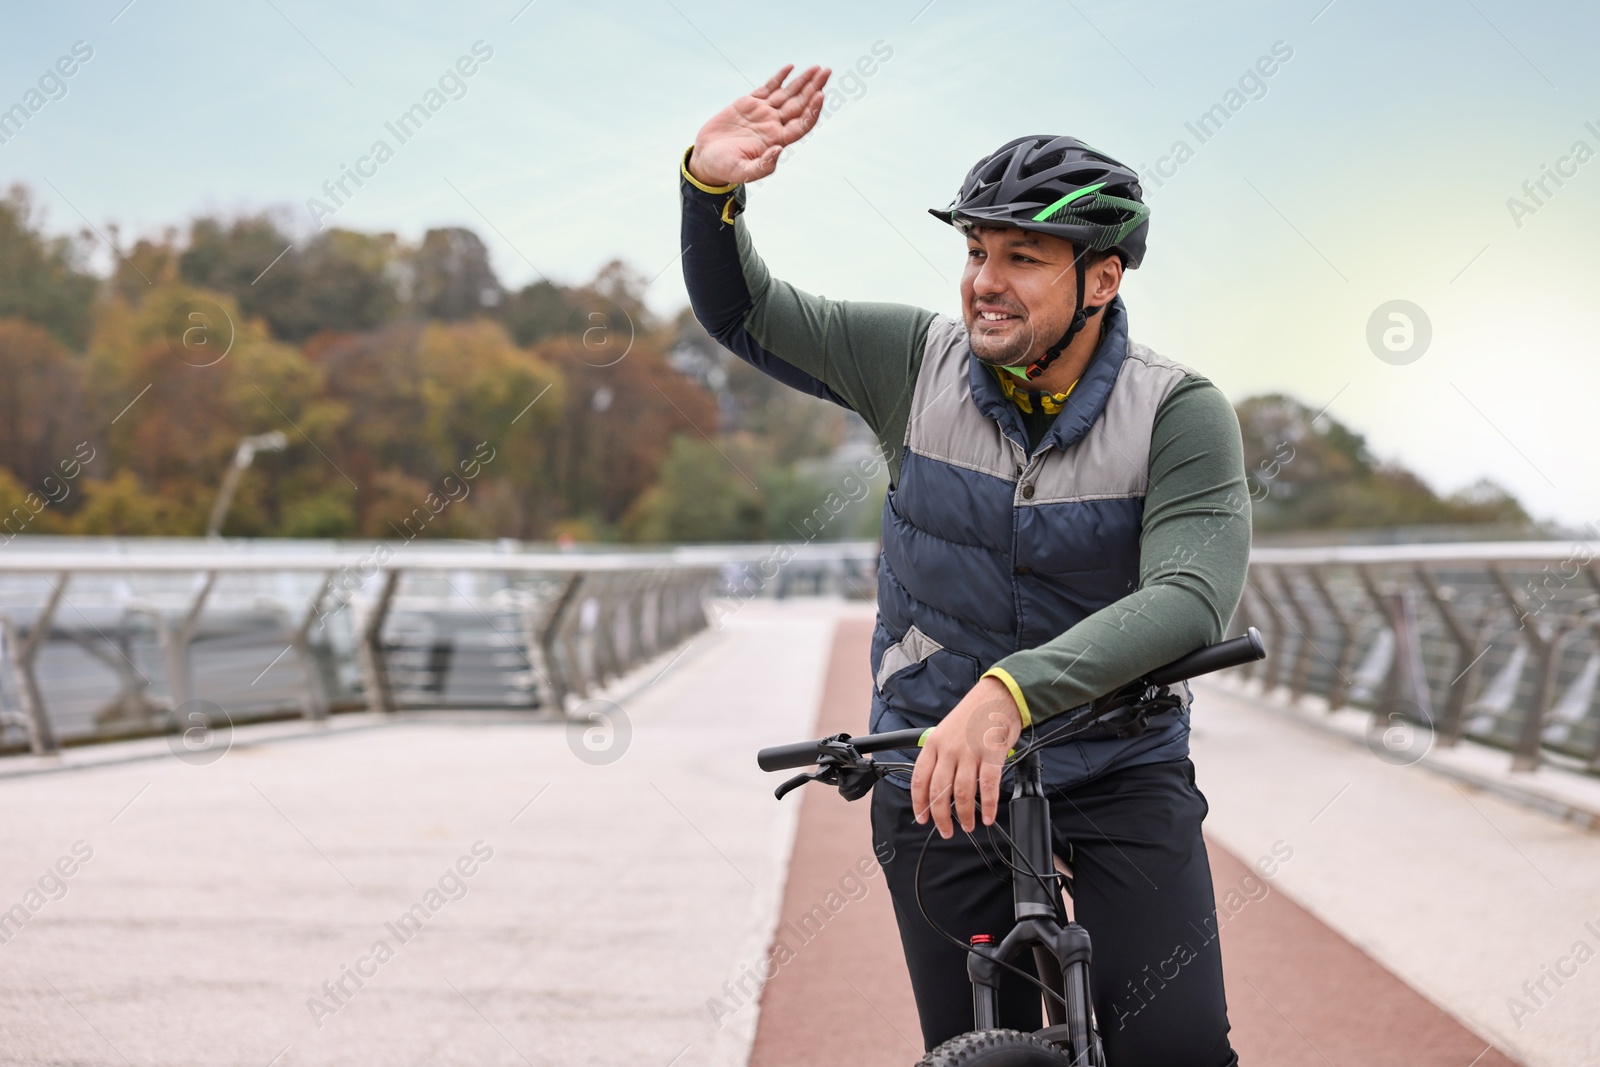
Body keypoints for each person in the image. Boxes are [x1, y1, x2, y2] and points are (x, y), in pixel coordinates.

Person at [679, 64, 1251, 1066]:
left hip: (1117, 759)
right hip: (936, 762)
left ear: (1101, 278)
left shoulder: (1178, 411)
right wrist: (709, 189)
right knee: (977, 1047)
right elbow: (745, 314)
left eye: (1021, 257)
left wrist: (1012, 692)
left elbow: (1189, 595)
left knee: (1176, 1044)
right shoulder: (911, 363)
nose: (983, 278)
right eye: (976, 249)